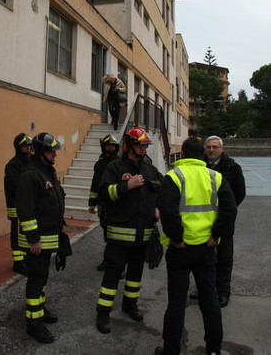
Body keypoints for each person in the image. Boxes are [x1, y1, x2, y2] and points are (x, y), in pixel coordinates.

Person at [155, 138, 237, 355]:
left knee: (176, 303)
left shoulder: (173, 176)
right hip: (206, 248)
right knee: (209, 299)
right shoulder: (215, 177)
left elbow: (167, 210)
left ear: (181, 154)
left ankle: (171, 350)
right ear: (202, 154)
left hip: (180, 249)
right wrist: (215, 236)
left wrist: (176, 237)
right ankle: (213, 349)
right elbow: (230, 210)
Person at [95, 127, 163, 334]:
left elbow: (161, 189)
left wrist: (158, 207)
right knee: (112, 274)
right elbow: (104, 194)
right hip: (119, 236)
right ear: (129, 145)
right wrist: (127, 186)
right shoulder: (115, 167)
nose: (143, 149)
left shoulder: (149, 169)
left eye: (145, 145)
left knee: (135, 273)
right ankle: (103, 312)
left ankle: (130, 304)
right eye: (140, 145)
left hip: (143, 235)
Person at [15, 132, 65, 344]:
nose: (54, 154)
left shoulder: (46, 172)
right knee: (36, 280)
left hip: (47, 238)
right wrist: (33, 239)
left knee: (42, 276)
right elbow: (26, 211)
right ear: (40, 152)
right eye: (50, 150)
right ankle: (33, 324)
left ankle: (40, 310)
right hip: (36, 242)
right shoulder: (30, 175)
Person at [202, 135, 245, 307]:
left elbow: (240, 194)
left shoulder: (232, 167)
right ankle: (205, 288)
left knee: (224, 258)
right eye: (209, 147)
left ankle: (223, 292)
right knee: (205, 258)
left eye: (215, 147)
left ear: (222, 149)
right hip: (204, 220)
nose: (212, 150)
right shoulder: (201, 166)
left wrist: (228, 211)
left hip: (224, 220)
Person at [88, 134, 120, 271]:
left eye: (113, 145)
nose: (110, 147)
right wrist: (92, 202)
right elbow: (95, 184)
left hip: (115, 204)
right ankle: (109, 260)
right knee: (106, 232)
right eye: (108, 145)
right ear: (103, 147)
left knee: (115, 234)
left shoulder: (119, 164)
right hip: (102, 204)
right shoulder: (99, 164)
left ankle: (117, 263)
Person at [4, 133, 32, 275]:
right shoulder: (13, 165)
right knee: (16, 234)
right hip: (16, 207)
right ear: (18, 147)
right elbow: (17, 187)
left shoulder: (30, 162)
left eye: (29, 145)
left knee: (26, 234)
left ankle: (25, 258)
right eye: (25, 145)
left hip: (27, 206)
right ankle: (18, 262)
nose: (28, 147)